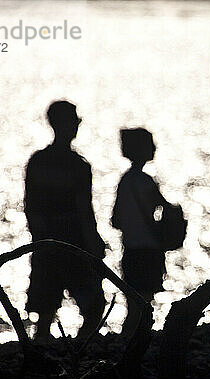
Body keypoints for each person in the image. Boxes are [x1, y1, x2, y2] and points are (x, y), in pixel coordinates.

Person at [24, 100, 106, 341]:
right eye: (74, 121)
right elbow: (84, 210)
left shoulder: (38, 162)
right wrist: (94, 244)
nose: (77, 126)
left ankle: (43, 356)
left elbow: (31, 207)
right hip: (74, 245)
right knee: (93, 306)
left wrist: (40, 240)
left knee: (46, 310)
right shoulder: (78, 166)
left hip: (47, 244)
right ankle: (78, 350)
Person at [111, 128, 169, 336]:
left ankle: (127, 341)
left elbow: (115, 220)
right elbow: (164, 208)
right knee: (144, 303)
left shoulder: (125, 181)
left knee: (133, 304)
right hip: (148, 249)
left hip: (130, 249)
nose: (154, 148)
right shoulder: (146, 181)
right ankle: (135, 343)